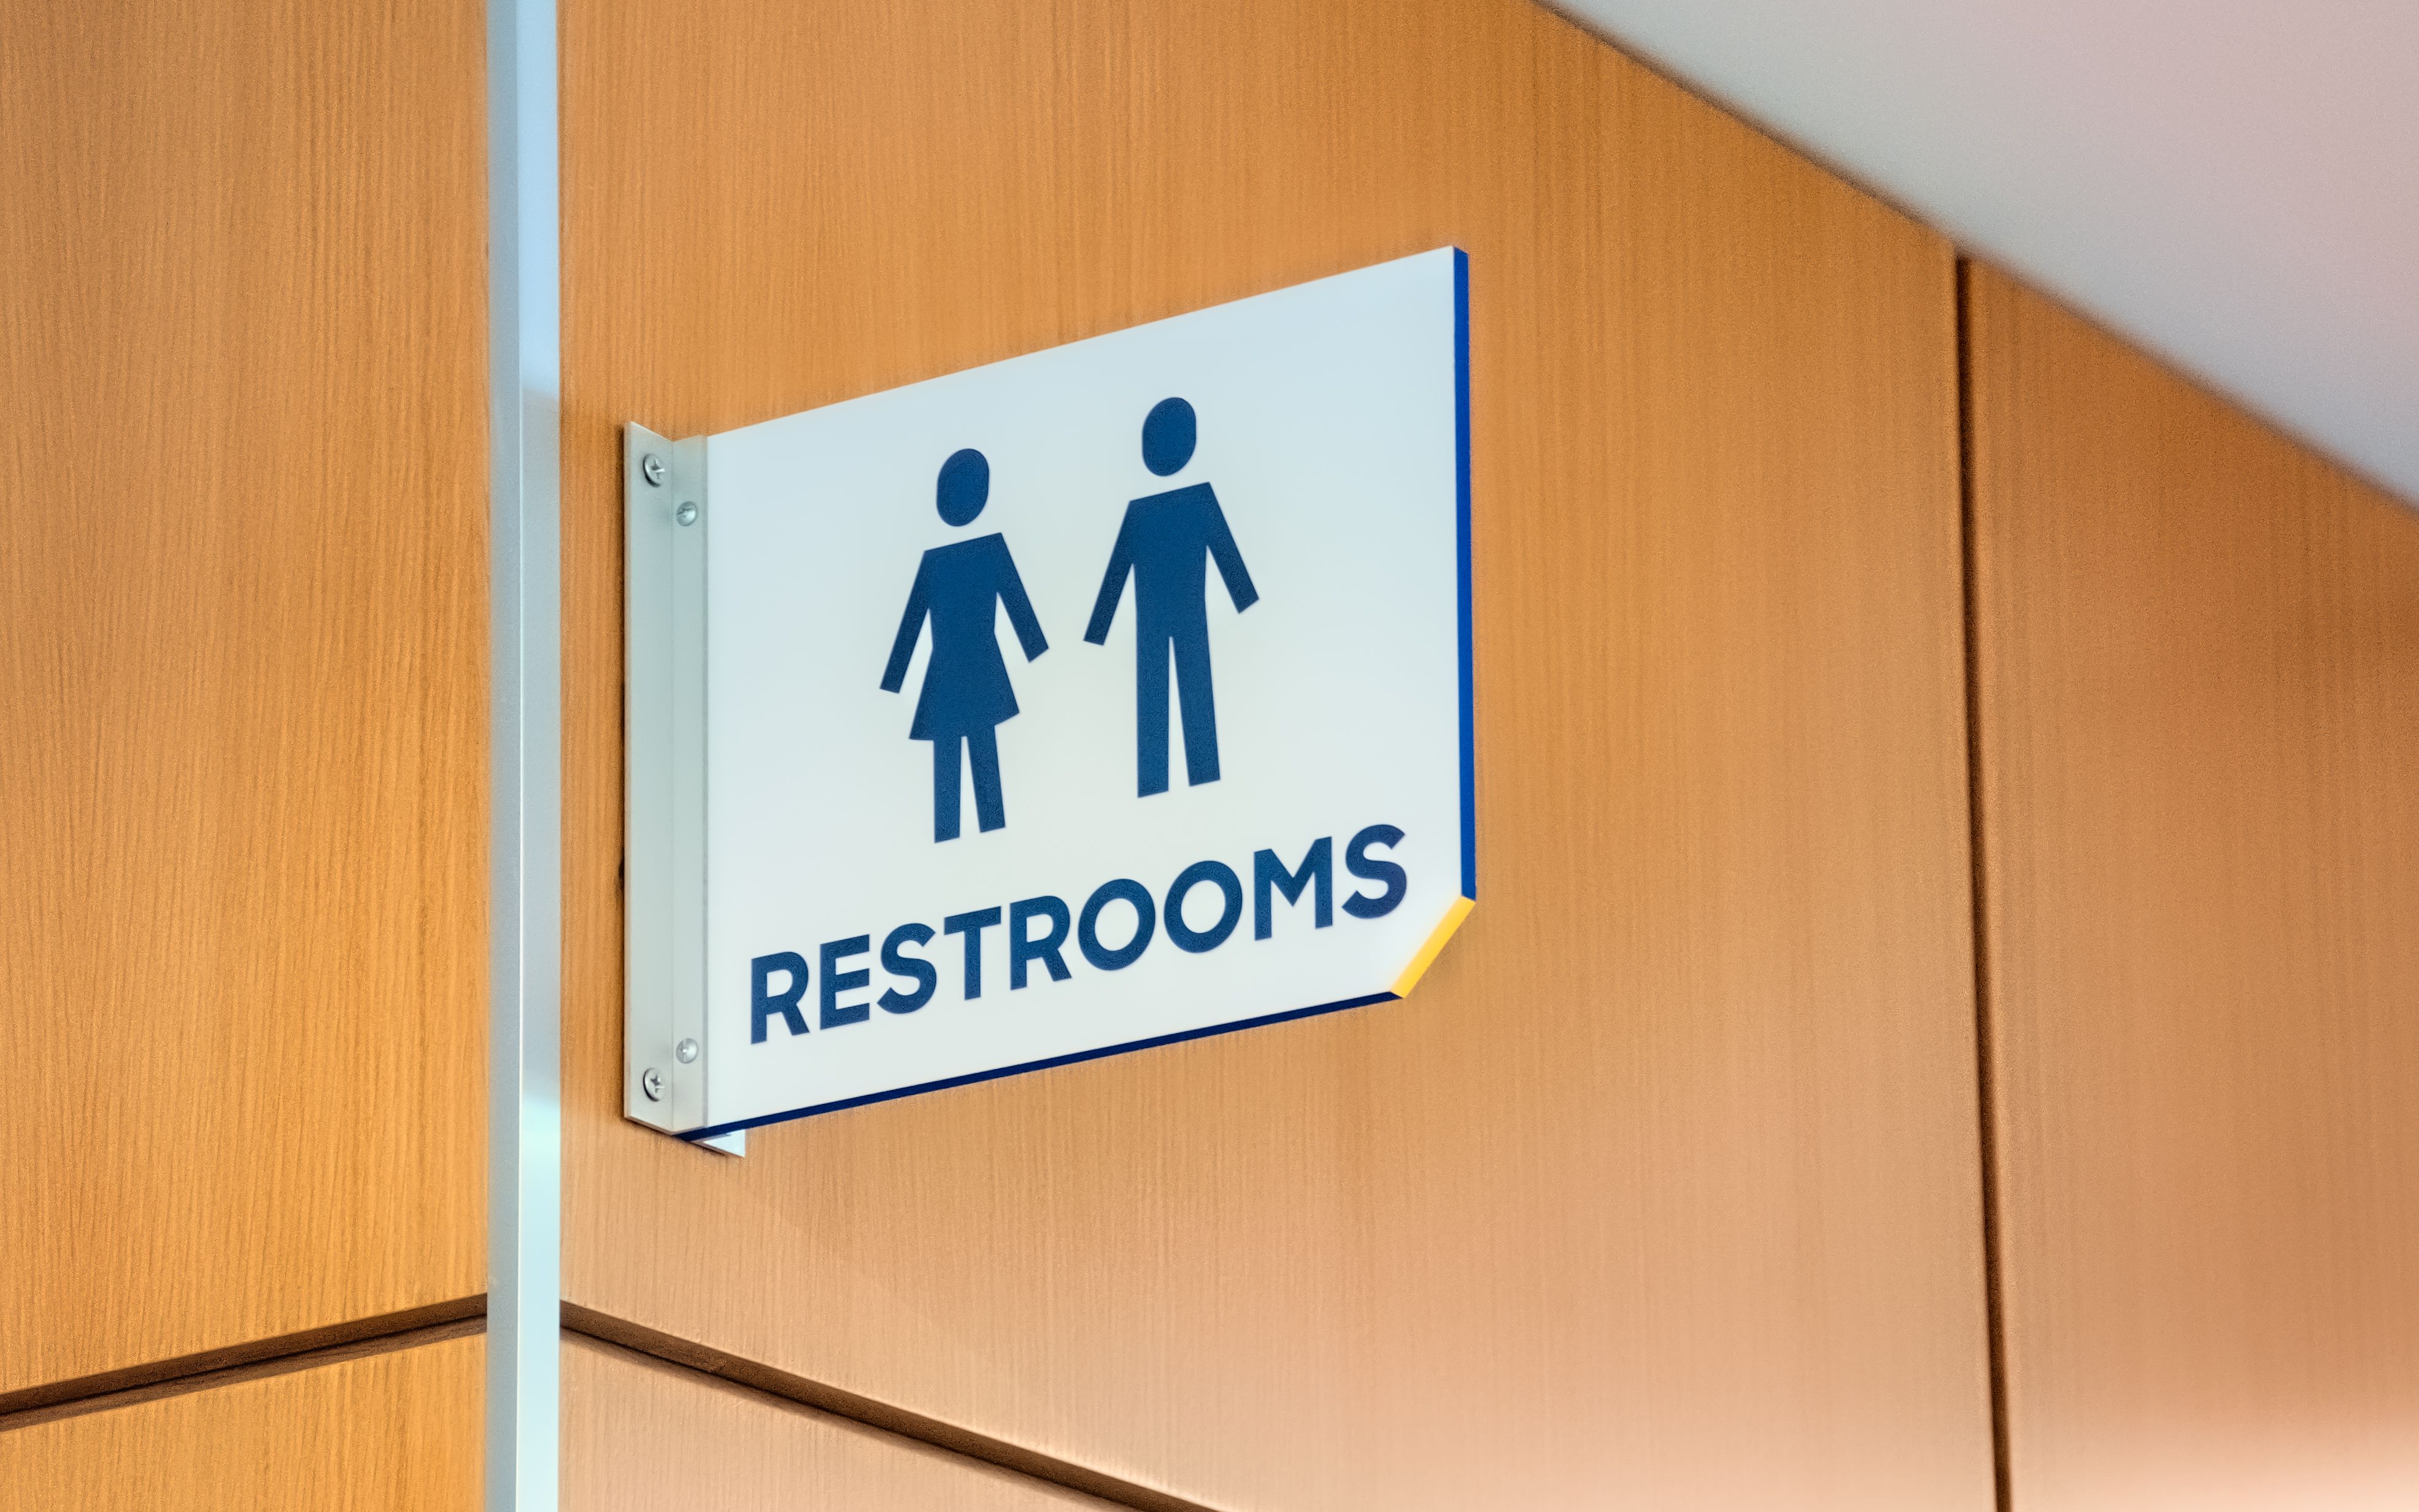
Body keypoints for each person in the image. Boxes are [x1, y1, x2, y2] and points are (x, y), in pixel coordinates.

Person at [1083, 397, 1259, 796]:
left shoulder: (1192, 502)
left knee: (1188, 693)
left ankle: (1201, 777)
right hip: (1166, 619)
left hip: (1177, 617)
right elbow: (1118, 569)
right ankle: (1159, 784)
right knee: (1156, 698)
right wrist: (1098, 627)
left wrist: (1244, 596)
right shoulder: (1149, 511)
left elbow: (1227, 557)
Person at [881, 448, 1049, 841]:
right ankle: (958, 840)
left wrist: (1035, 646)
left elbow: (1017, 606)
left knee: (974, 756)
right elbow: (913, 621)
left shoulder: (968, 555)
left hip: (957, 675)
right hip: (970, 673)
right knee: (961, 758)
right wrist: (1033, 646)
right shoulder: (959, 557)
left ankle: (985, 836)